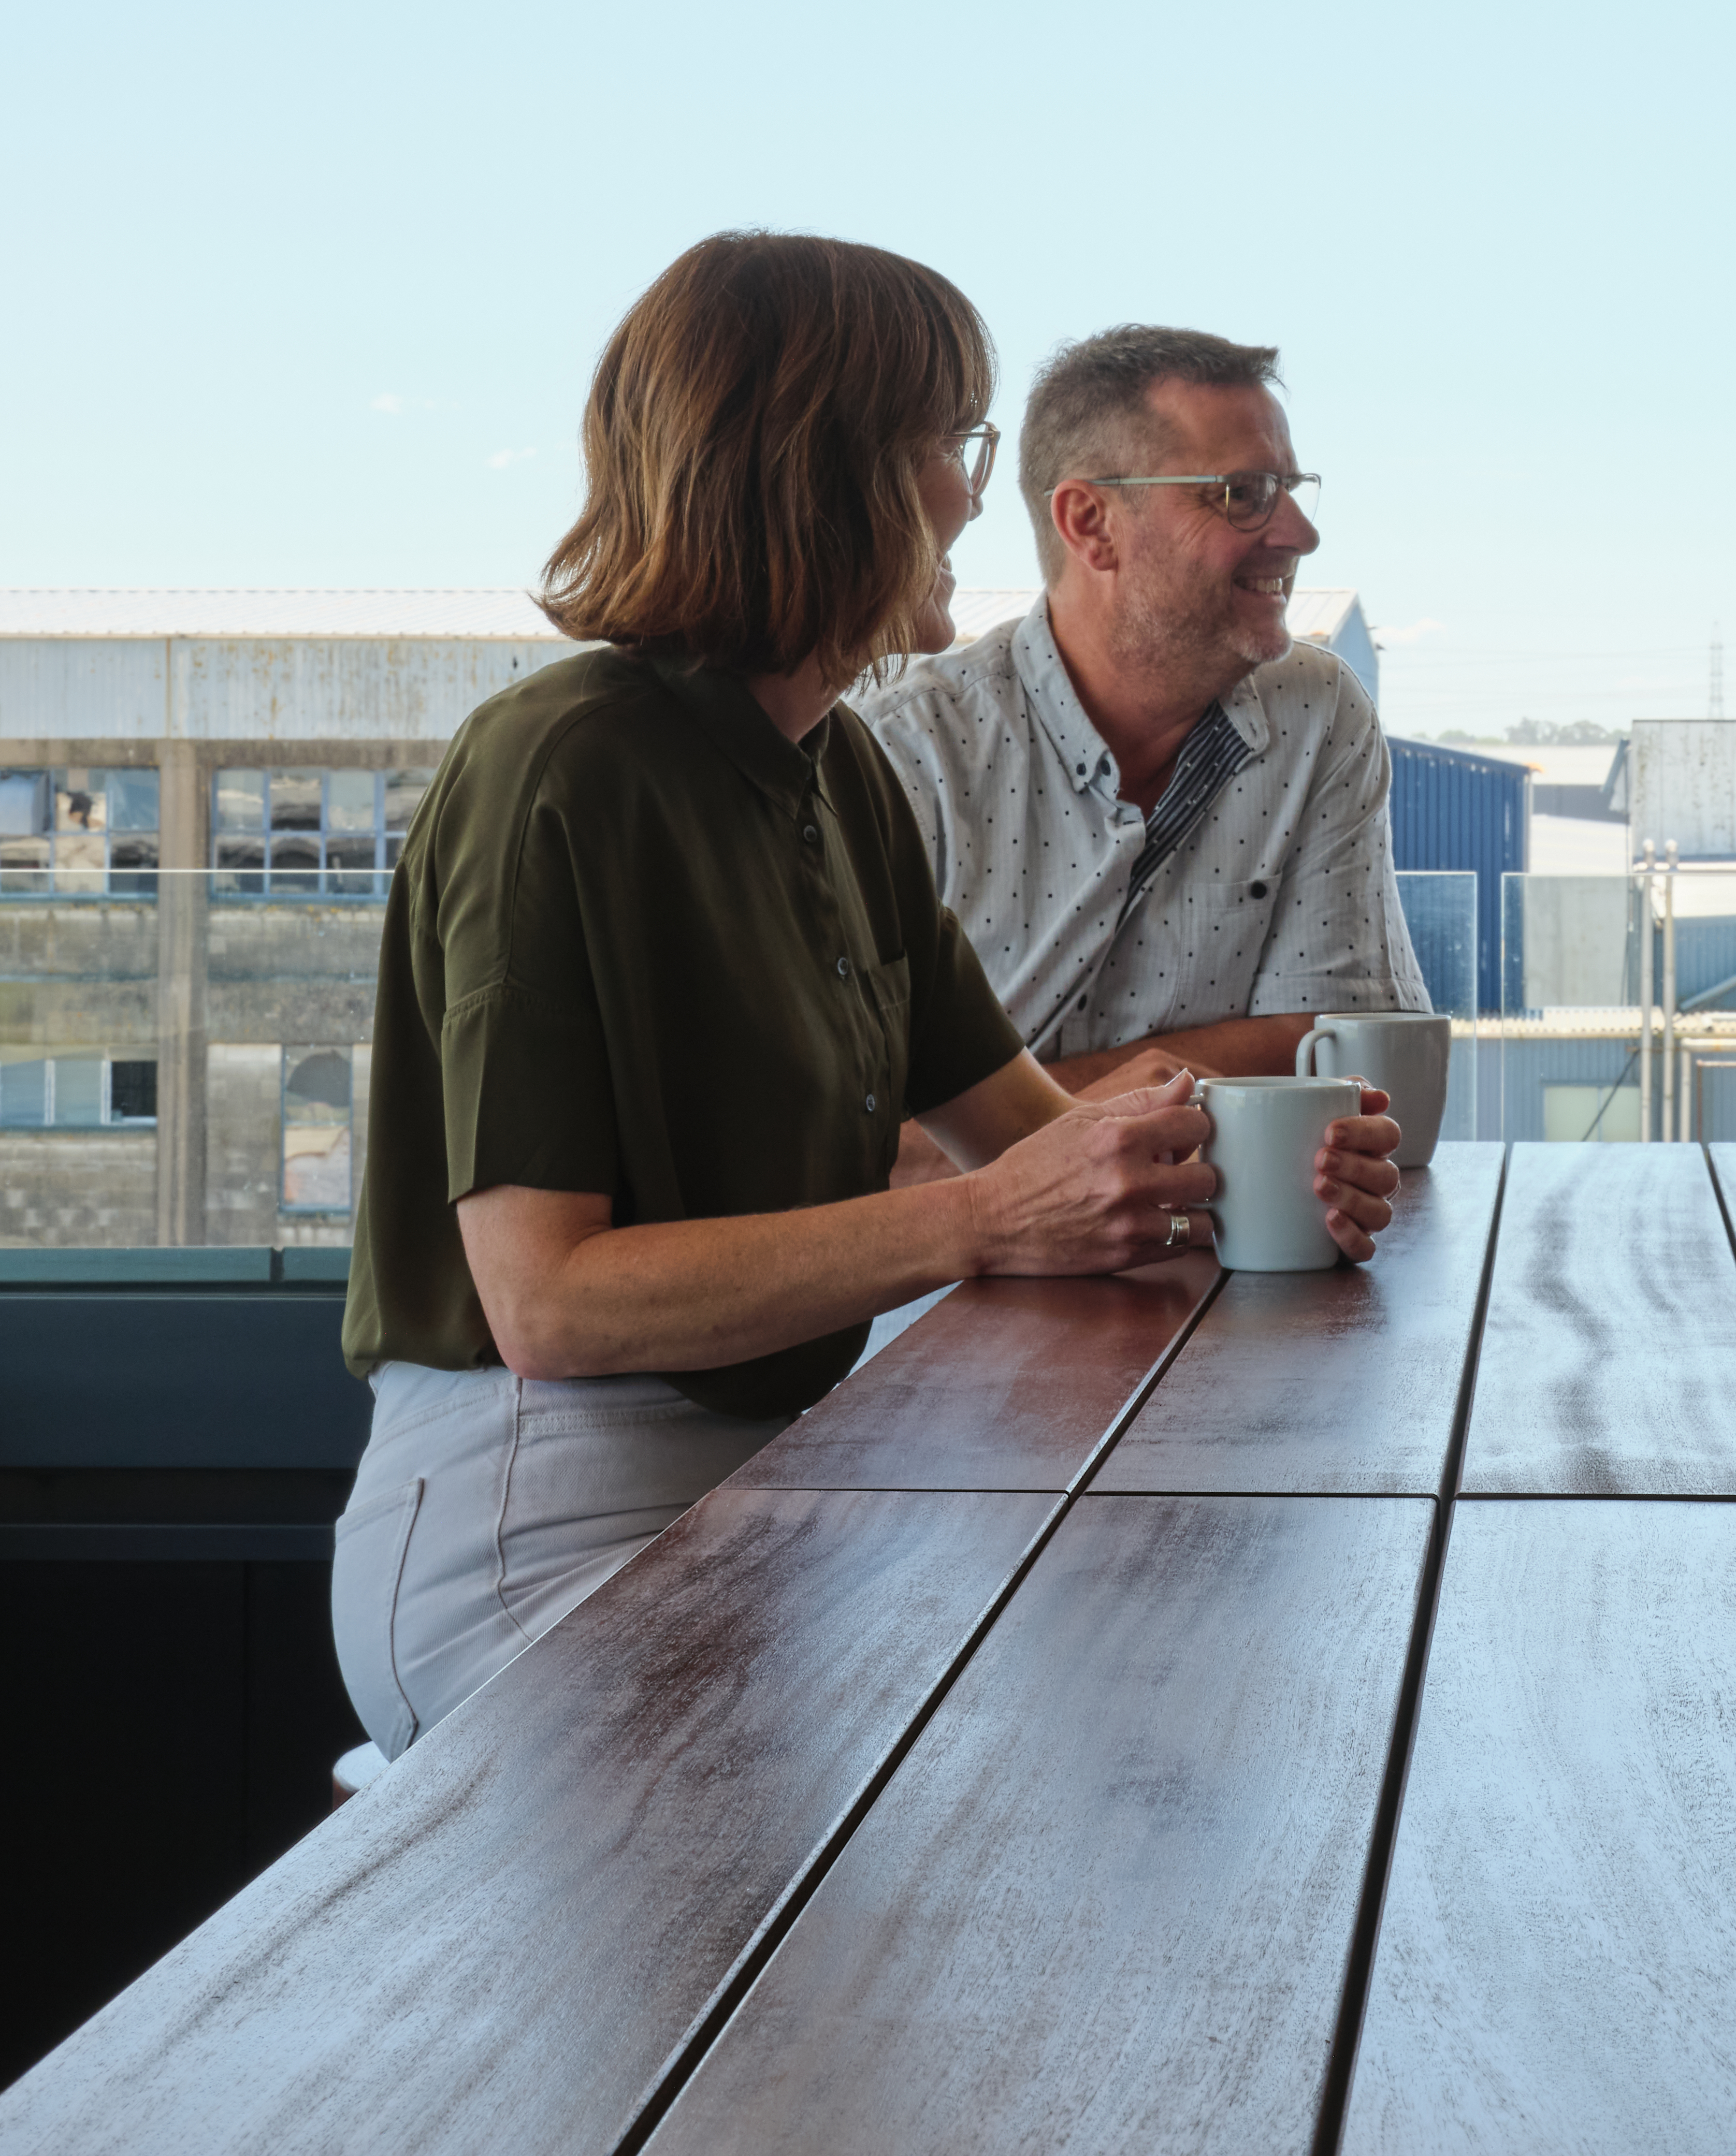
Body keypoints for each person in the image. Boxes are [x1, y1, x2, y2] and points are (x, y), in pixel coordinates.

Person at [332, 238, 1398, 1759]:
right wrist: (980, 1224)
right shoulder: (562, 764)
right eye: (949, 446)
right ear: (819, 472)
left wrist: (1255, 1168)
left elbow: (1036, 1145)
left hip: (781, 1466)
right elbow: (548, 1302)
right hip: (540, 1499)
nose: (977, 494)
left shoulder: (839, 774)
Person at [864, 325, 1425, 1107]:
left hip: (1242, 1232)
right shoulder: (902, 754)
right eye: (1245, 494)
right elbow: (851, 1139)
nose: (1301, 533)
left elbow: (1345, 1052)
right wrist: (1165, 1087)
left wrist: (1011, 1107)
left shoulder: (1318, 714)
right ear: (1091, 524)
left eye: (1292, 489)